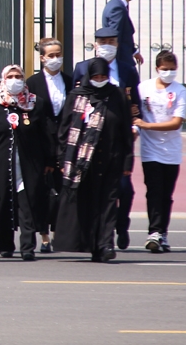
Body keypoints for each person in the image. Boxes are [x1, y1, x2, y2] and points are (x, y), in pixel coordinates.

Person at [54, 58, 135, 262]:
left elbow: (125, 129)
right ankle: (92, 244)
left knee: (108, 203)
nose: (99, 80)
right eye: (96, 77)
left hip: (111, 159)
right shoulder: (77, 96)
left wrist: (127, 162)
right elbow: (64, 130)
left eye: (103, 77)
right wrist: (63, 160)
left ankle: (106, 244)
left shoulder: (116, 95)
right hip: (83, 162)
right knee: (88, 204)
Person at [71, 25, 140, 250]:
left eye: (111, 42)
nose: (107, 46)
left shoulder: (127, 70)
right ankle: (99, 238)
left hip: (115, 141)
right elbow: (75, 104)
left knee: (124, 189)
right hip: (89, 143)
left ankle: (120, 225)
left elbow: (134, 105)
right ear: (95, 45)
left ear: (117, 44)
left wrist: (134, 128)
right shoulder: (82, 68)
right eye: (103, 42)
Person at [0, 65, 55, 261]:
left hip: (29, 165)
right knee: (4, 203)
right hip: (3, 165)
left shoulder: (36, 103)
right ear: (4, 80)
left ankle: (28, 246)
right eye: (10, 76)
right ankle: (5, 245)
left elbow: (47, 135)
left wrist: (49, 160)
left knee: (27, 205)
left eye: (18, 76)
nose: (14, 79)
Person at [135, 50, 186, 253]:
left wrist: (146, 126)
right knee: (154, 191)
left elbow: (176, 122)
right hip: (150, 151)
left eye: (172, 69)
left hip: (172, 150)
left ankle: (163, 233)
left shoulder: (180, 91)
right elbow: (136, 112)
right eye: (164, 69)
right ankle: (154, 233)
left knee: (166, 194)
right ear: (157, 68)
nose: (168, 73)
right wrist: (136, 127)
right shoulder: (144, 88)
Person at [26, 37, 72, 253]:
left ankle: (59, 233)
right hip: (42, 144)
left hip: (64, 143)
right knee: (43, 192)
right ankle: (43, 236)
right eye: (50, 55)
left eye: (58, 55)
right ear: (42, 58)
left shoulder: (69, 81)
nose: (55, 59)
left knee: (63, 191)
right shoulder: (32, 83)